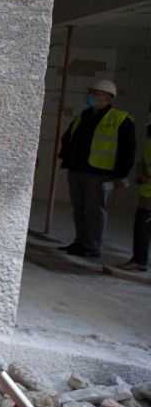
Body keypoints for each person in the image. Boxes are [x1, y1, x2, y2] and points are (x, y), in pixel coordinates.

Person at [57, 79, 136, 258]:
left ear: (107, 97)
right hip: (77, 169)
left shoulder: (121, 119)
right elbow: (68, 137)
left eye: (95, 93)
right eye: (90, 93)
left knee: (95, 210)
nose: (90, 96)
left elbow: (128, 149)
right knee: (79, 208)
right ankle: (80, 242)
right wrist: (66, 157)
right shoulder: (83, 116)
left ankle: (92, 247)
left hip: (99, 173)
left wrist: (120, 175)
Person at [115, 116, 151, 273]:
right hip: (146, 193)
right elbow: (144, 160)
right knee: (141, 227)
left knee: (143, 227)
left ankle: (139, 261)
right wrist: (141, 174)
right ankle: (139, 260)